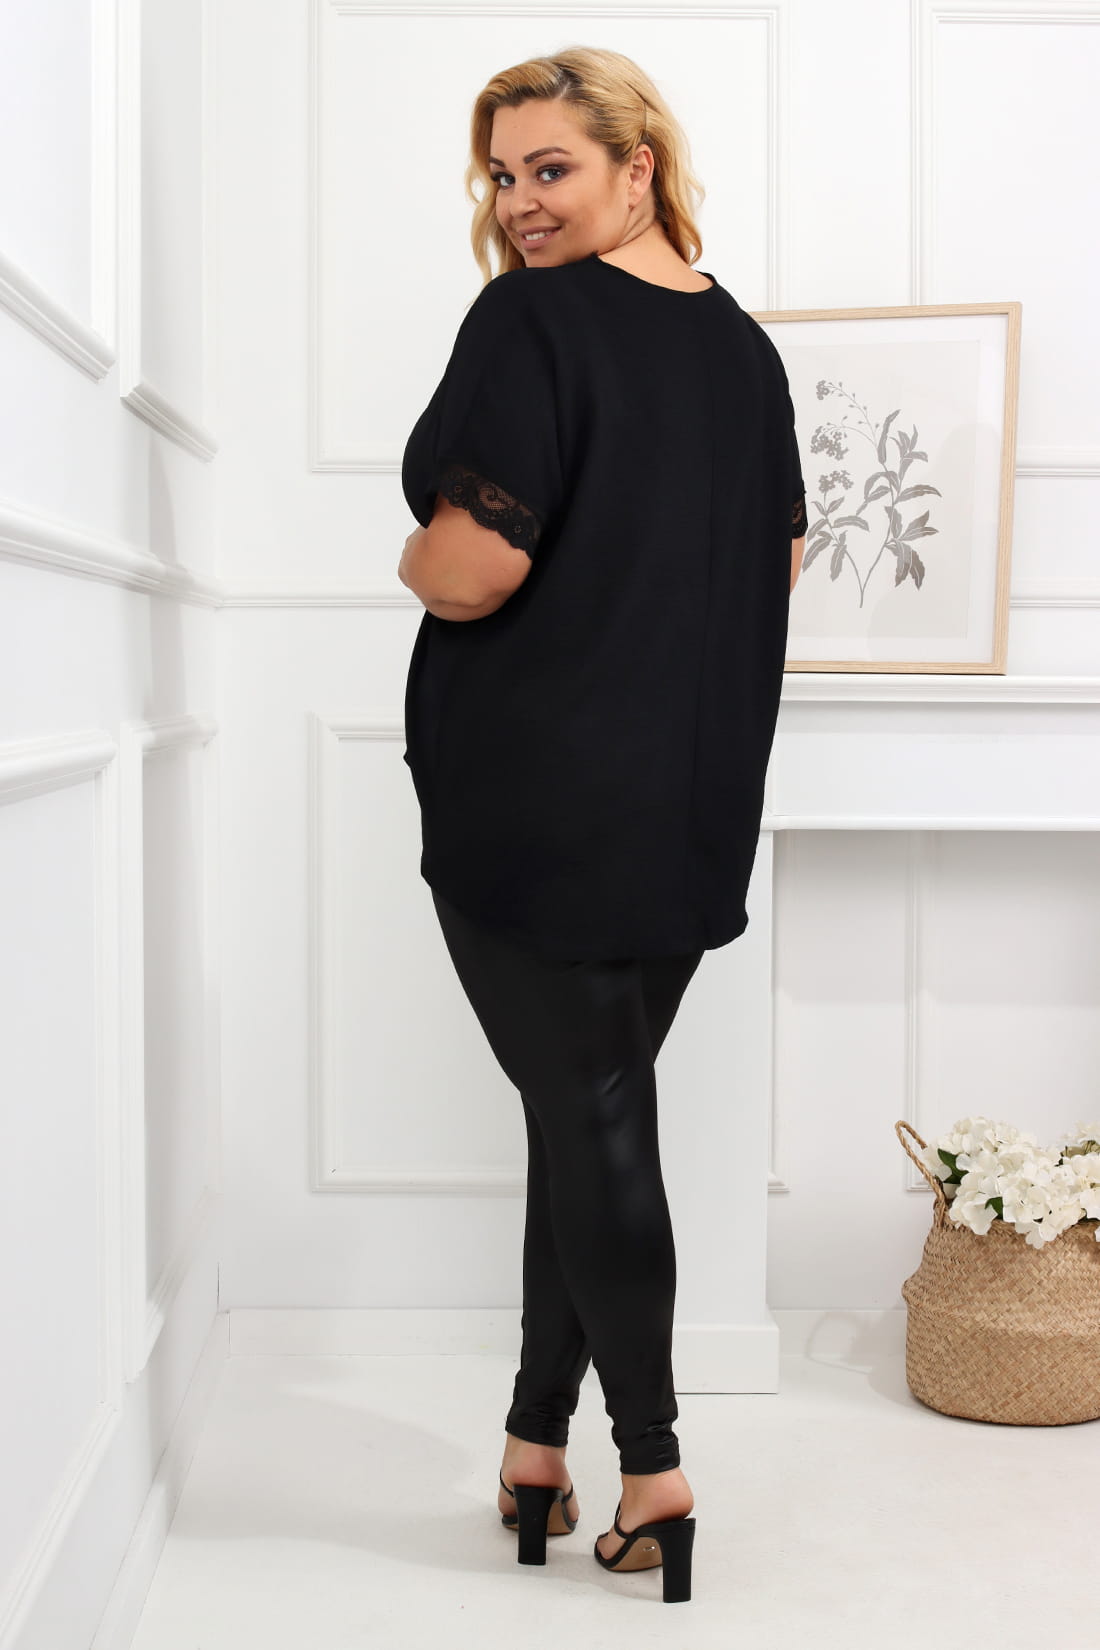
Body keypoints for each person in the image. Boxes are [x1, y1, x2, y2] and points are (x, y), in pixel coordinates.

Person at [397, 47, 806, 1603]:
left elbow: (474, 566)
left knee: (591, 1126)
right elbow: (775, 561)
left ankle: (655, 1469)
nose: (520, 202)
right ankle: (532, 1446)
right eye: (502, 175)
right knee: (582, 1124)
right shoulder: (744, 350)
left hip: (537, 804)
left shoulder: (535, 321)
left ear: (640, 166)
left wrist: (415, 563)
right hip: (686, 805)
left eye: (551, 167)